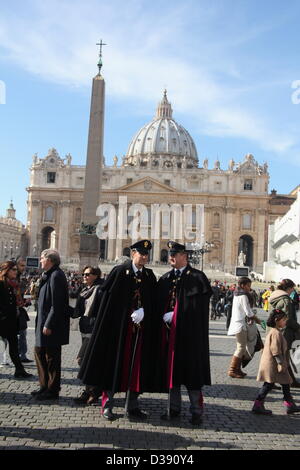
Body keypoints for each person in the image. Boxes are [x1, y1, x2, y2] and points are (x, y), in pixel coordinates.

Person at [78, 240, 159, 421]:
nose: (144, 257)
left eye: (146, 254)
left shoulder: (149, 275)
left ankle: (132, 405)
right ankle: (107, 404)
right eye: (141, 254)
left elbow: (154, 300)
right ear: (133, 254)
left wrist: (145, 309)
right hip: (118, 329)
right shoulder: (120, 272)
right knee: (113, 366)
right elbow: (109, 302)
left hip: (139, 332)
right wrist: (128, 311)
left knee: (136, 369)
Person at [157, 241, 212, 426]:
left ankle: (196, 411)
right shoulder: (165, 278)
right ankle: (174, 409)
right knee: (172, 372)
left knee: (192, 375)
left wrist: (177, 314)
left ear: (185, 257)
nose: (171, 256)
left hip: (190, 337)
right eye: (170, 254)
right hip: (169, 337)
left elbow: (199, 309)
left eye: (175, 254)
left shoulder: (197, 277)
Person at [32, 249, 70, 400]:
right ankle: (44, 386)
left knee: (52, 357)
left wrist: (49, 324)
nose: (40, 260)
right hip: (43, 322)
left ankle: (52, 390)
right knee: (39, 353)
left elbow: (57, 304)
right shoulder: (48, 275)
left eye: (42, 258)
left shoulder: (56, 276)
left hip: (51, 325)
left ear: (50, 260)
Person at [252, 309, 300, 415]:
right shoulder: (275, 333)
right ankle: (258, 404)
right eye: (284, 319)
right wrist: (281, 363)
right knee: (269, 384)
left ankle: (289, 404)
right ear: (277, 320)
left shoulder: (276, 331)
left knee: (286, 382)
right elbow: (275, 351)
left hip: (276, 363)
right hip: (273, 364)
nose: (285, 321)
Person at [72, 266, 103, 405]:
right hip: (84, 327)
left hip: (94, 328)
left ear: (96, 275)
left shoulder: (100, 289)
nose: (84, 276)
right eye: (83, 274)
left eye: (88, 274)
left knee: (82, 359)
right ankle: (90, 391)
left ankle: (93, 391)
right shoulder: (84, 290)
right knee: (87, 361)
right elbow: (77, 311)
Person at [0, 260, 32, 379]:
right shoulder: (1, 284)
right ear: (6, 271)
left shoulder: (13, 284)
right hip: (3, 321)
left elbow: (14, 302)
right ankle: (19, 369)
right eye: (13, 269)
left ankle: (19, 370)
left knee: (13, 346)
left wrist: (24, 303)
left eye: (16, 269)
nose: (16, 271)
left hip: (12, 321)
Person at [227, 277, 262, 379]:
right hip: (240, 325)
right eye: (248, 286)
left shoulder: (237, 294)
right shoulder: (243, 296)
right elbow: (248, 312)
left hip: (240, 323)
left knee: (242, 347)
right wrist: (258, 320)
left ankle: (237, 369)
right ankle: (232, 370)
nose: (249, 288)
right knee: (241, 347)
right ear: (242, 285)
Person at [269, 279, 300, 388]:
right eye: (292, 288)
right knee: (284, 358)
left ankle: (274, 381)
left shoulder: (274, 298)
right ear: (288, 288)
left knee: (278, 357)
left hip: (275, 330)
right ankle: (288, 381)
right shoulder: (286, 300)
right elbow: (288, 319)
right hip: (285, 332)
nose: (293, 290)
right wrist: (298, 328)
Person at [14, 257, 33, 363]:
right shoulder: (12, 278)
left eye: (24, 265)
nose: (23, 267)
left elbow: (22, 294)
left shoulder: (21, 279)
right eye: (21, 265)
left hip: (20, 309)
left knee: (22, 332)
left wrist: (26, 300)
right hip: (13, 310)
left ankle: (22, 355)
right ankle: (18, 355)